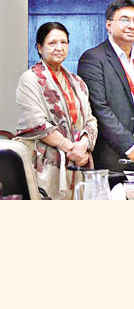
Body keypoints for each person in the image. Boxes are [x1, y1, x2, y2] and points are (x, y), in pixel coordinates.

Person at [14, 22, 98, 199]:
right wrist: (71, 150)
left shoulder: (77, 82)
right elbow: (37, 123)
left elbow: (90, 120)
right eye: (52, 43)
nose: (59, 48)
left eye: (64, 42)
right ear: (39, 47)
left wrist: (83, 145)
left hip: (76, 163)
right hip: (45, 165)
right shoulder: (30, 79)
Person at [78, 0, 134, 172]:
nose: (132, 25)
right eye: (124, 20)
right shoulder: (93, 58)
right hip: (111, 158)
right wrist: (129, 145)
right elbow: (98, 108)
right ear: (109, 25)